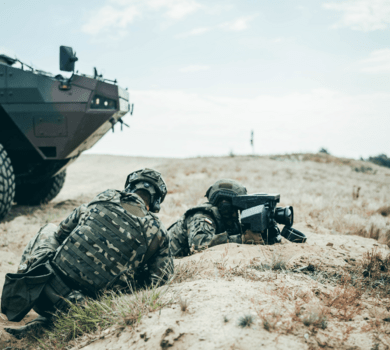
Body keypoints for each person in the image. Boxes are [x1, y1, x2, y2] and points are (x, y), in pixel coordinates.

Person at [2, 168, 173, 338]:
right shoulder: (158, 232)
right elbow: (158, 281)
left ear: (129, 187)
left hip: (41, 291)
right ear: (156, 201)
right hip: (82, 311)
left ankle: (23, 290)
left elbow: (62, 231)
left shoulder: (105, 197)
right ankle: (48, 323)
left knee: (49, 229)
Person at [168, 179, 265, 257]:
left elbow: (235, 233)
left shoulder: (228, 218)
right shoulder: (202, 216)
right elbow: (199, 245)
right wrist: (241, 238)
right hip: (170, 258)